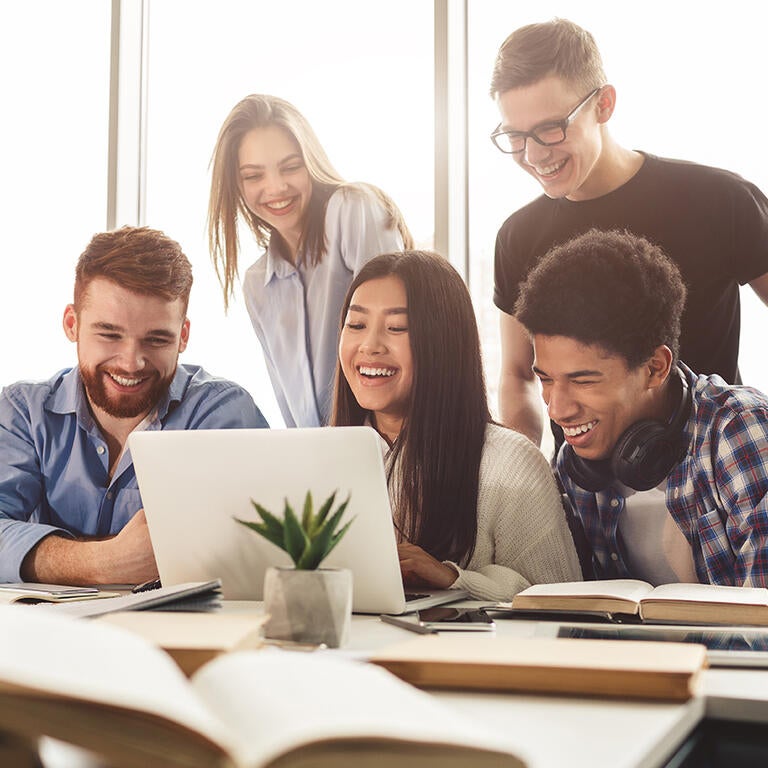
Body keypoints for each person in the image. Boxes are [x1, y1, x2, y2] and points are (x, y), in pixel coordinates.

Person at [489, 18, 768, 447]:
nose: (533, 154)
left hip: (720, 481)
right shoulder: (517, 238)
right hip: (587, 497)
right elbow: (517, 373)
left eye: (550, 128)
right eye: (516, 135)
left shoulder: (720, 199)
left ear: (603, 105)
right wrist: (519, 471)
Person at [0, 226, 268, 586]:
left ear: (183, 336)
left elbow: (242, 552)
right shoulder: (23, 412)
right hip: (51, 636)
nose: (131, 363)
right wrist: (100, 562)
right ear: (72, 324)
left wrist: (50, 555)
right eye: (109, 334)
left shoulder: (222, 413)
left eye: (156, 339)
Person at [515, 227, 768, 587]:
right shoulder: (575, 470)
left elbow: (761, 624)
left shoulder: (741, 433)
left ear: (655, 368)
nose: (557, 410)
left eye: (584, 381)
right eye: (546, 380)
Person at [331, 250, 581, 601]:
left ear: (443, 341)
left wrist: (453, 579)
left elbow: (560, 602)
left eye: (397, 328)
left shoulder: (509, 463)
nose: (370, 346)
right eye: (356, 325)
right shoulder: (324, 457)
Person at [208, 94, 413, 428]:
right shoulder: (257, 283)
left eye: (290, 167)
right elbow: (294, 415)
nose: (275, 187)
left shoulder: (351, 210)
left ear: (311, 162)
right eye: (253, 176)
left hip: (391, 442)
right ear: (236, 185)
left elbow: (399, 338)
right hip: (325, 465)